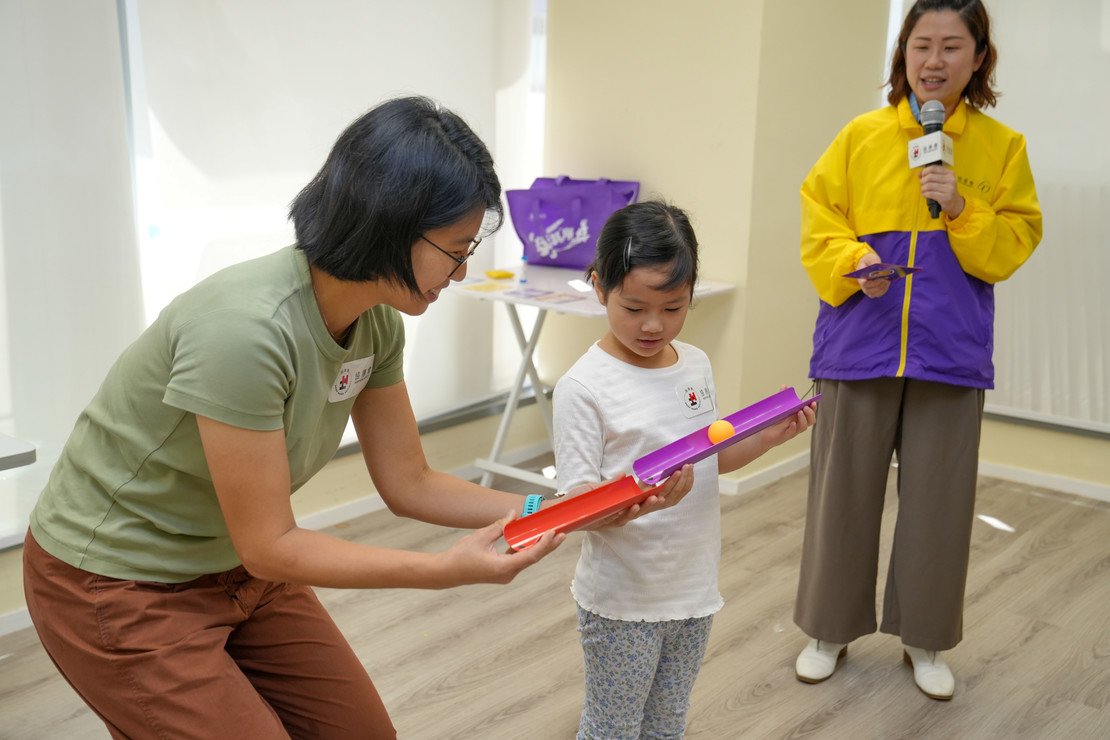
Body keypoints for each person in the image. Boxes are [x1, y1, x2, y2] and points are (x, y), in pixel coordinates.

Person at [21, 96, 693, 739]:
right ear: (390, 224)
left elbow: (408, 481)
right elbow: (271, 543)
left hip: (235, 566)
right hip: (114, 577)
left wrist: (558, 508)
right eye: (456, 250)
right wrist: (441, 571)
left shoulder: (376, 324)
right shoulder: (243, 332)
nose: (461, 272)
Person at [793, 0, 1042, 701]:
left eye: (952, 47)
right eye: (921, 45)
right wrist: (853, 263)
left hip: (950, 351)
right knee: (842, 497)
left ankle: (926, 640)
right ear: (902, 53)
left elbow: (1013, 245)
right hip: (857, 341)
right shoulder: (860, 136)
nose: (934, 61)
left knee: (939, 502)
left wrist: (961, 207)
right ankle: (828, 629)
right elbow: (820, 223)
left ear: (979, 58)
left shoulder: (1002, 147)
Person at [553, 200, 816, 739]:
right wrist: (642, 502)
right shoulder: (583, 388)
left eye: (673, 308)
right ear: (600, 287)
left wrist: (767, 437)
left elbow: (710, 459)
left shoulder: (693, 363)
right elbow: (576, 507)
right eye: (634, 307)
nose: (654, 325)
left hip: (693, 589)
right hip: (624, 601)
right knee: (613, 729)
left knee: (667, 724)